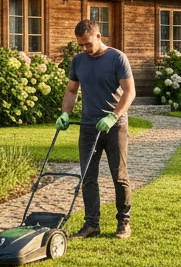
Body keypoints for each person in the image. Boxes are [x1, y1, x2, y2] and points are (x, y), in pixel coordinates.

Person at [56, 19, 136, 239]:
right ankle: (91, 224)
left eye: (88, 44)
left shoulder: (117, 58)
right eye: (80, 45)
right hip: (89, 127)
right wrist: (65, 113)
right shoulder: (79, 61)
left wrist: (113, 116)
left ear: (99, 37)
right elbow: (72, 90)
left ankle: (123, 222)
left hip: (114, 127)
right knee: (88, 177)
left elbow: (130, 92)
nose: (85, 49)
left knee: (119, 176)